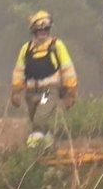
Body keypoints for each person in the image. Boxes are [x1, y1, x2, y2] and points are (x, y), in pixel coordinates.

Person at [10, 11, 77, 149]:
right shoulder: (26, 49)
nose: (43, 32)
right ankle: (48, 147)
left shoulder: (56, 45)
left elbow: (68, 69)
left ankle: (32, 149)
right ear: (33, 31)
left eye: (46, 29)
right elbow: (19, 71)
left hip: (47, 91)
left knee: (39, 119)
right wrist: (16, 91)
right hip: (30, 93)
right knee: (37, 122)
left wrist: (70, 92)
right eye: (39, 30)